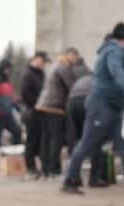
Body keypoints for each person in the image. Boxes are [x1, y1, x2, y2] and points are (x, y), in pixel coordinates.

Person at [62, 22, 124, 194]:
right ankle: (70, 179)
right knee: (87, 142)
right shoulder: (113, 50)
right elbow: (117, 71)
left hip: (113, 107)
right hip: (101, 105)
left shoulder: (111, 49)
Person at [35, 47, 80, 179]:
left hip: (44, 105)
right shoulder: (64, 66)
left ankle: (45, 170)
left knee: (46, 139)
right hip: (54, 106)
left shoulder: (56, 66)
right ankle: (54, 170)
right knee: (56, 139)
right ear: (70, 55)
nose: (75, 61)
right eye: (75, 57)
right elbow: (72, 86)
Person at [66, 67, 108, 187]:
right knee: (95, 140)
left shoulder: (81, 79)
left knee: (79, 140)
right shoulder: (99, 79)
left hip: (72, 103)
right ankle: (94, 178)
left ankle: (75, 177)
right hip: (87, 101)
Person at [20, 51, 49, 177]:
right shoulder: (28, 74)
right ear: (36, 59)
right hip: (31, 112)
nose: (44, 64)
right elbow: (25, 93)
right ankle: (30, 168)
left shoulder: (41, 74)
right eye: (43, 61)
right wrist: (36, 105)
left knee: (41, 141)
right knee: (31, 141)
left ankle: (41, 167)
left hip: (41, 111)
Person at [0, 59, 22, 159]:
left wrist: (16, 106)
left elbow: (10, 97)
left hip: (8, 113)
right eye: (7, 69)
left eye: (9, 69)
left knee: (17, 131)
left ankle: (14, 153)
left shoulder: (7, 81)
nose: (9, 71)